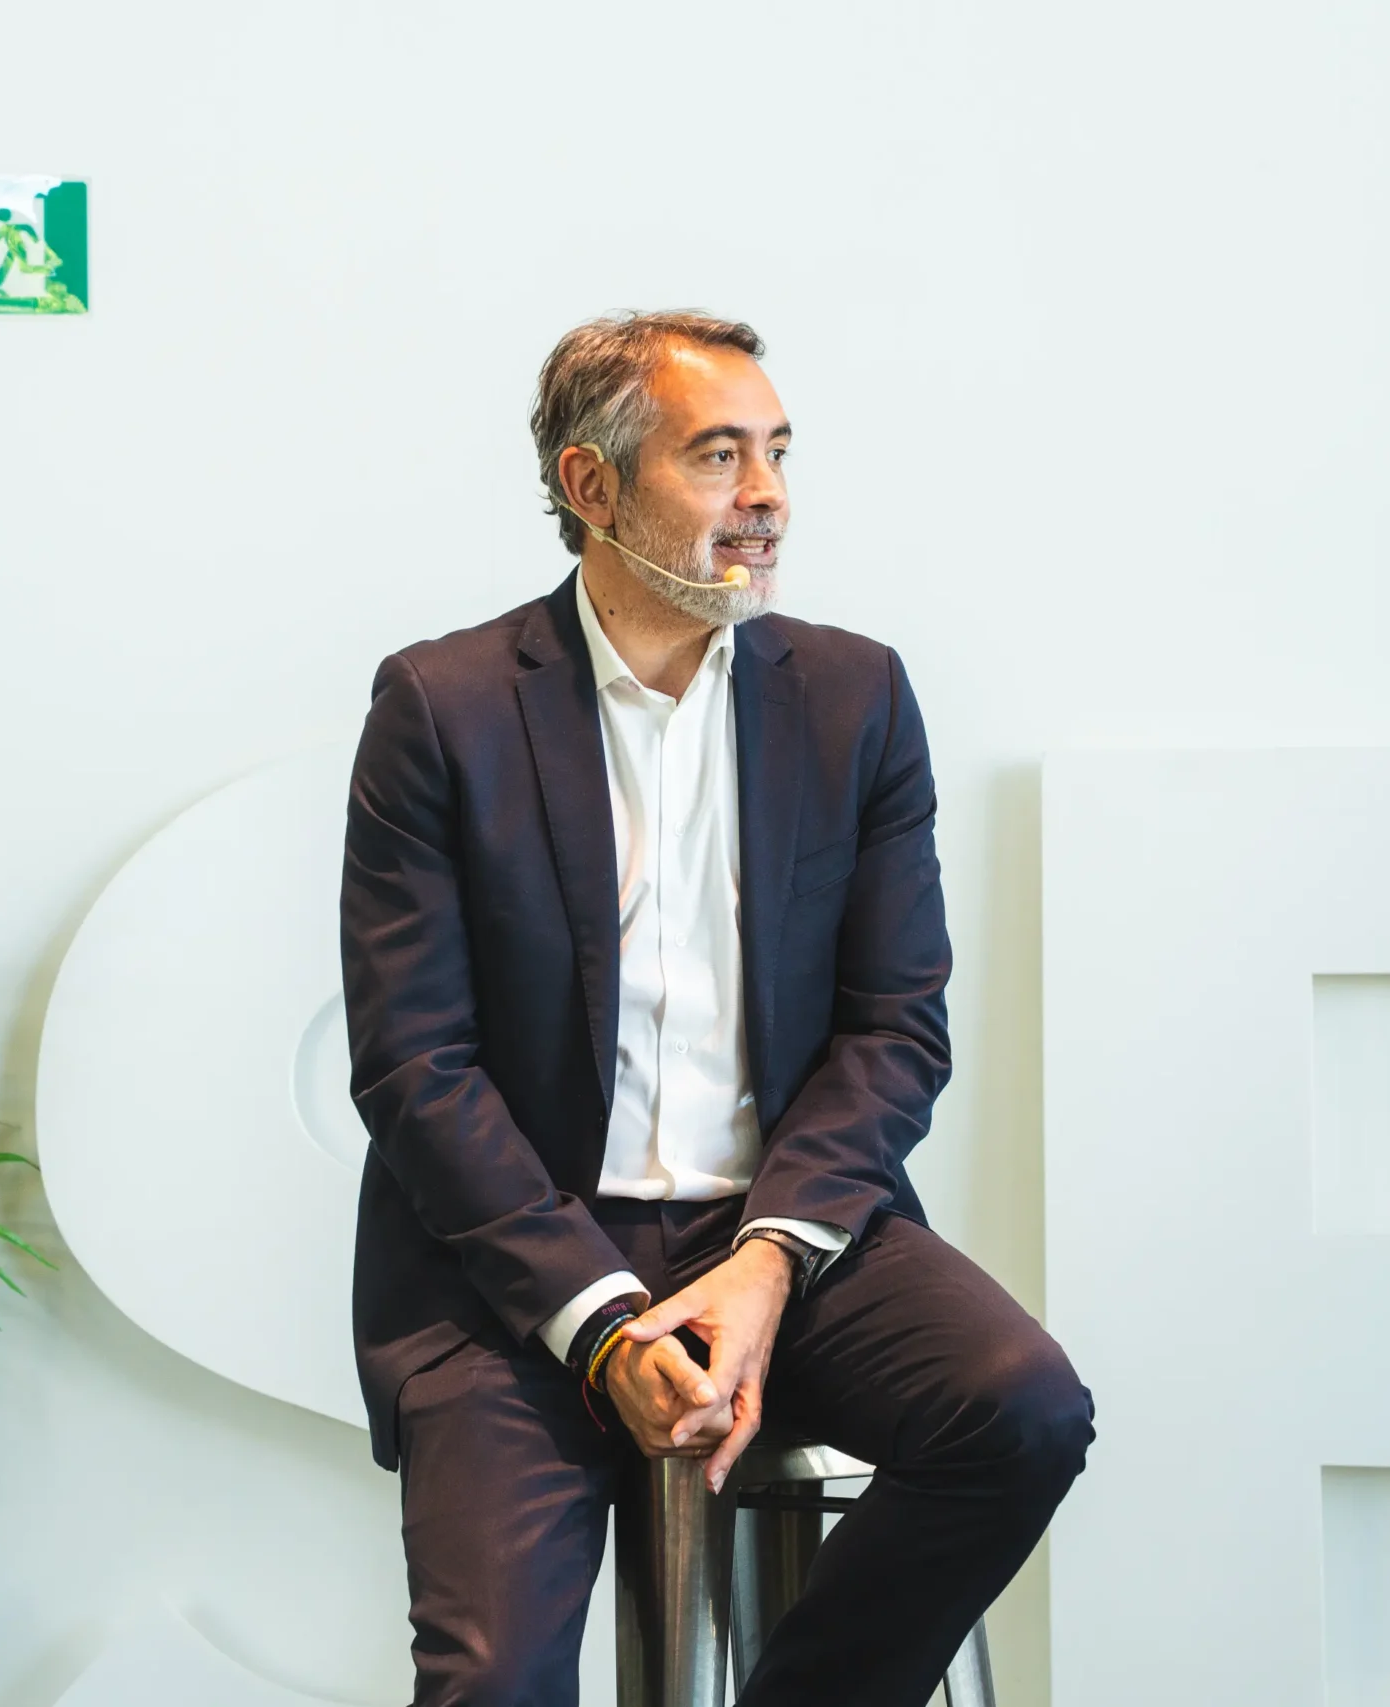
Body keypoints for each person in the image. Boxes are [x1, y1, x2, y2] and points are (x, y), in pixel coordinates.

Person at [340, 310, 1092, 1706]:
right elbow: (414, 1066)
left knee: (1022, 1409)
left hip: (787, 1234)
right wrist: (604, 1325)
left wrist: (764, 1265)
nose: (768, 497)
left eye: (779, 453)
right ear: (592, 484)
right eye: (718, 455)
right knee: (495, 1682)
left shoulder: (855, 697)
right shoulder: (442, 708)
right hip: (518, 1272)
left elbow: (895, 1025)